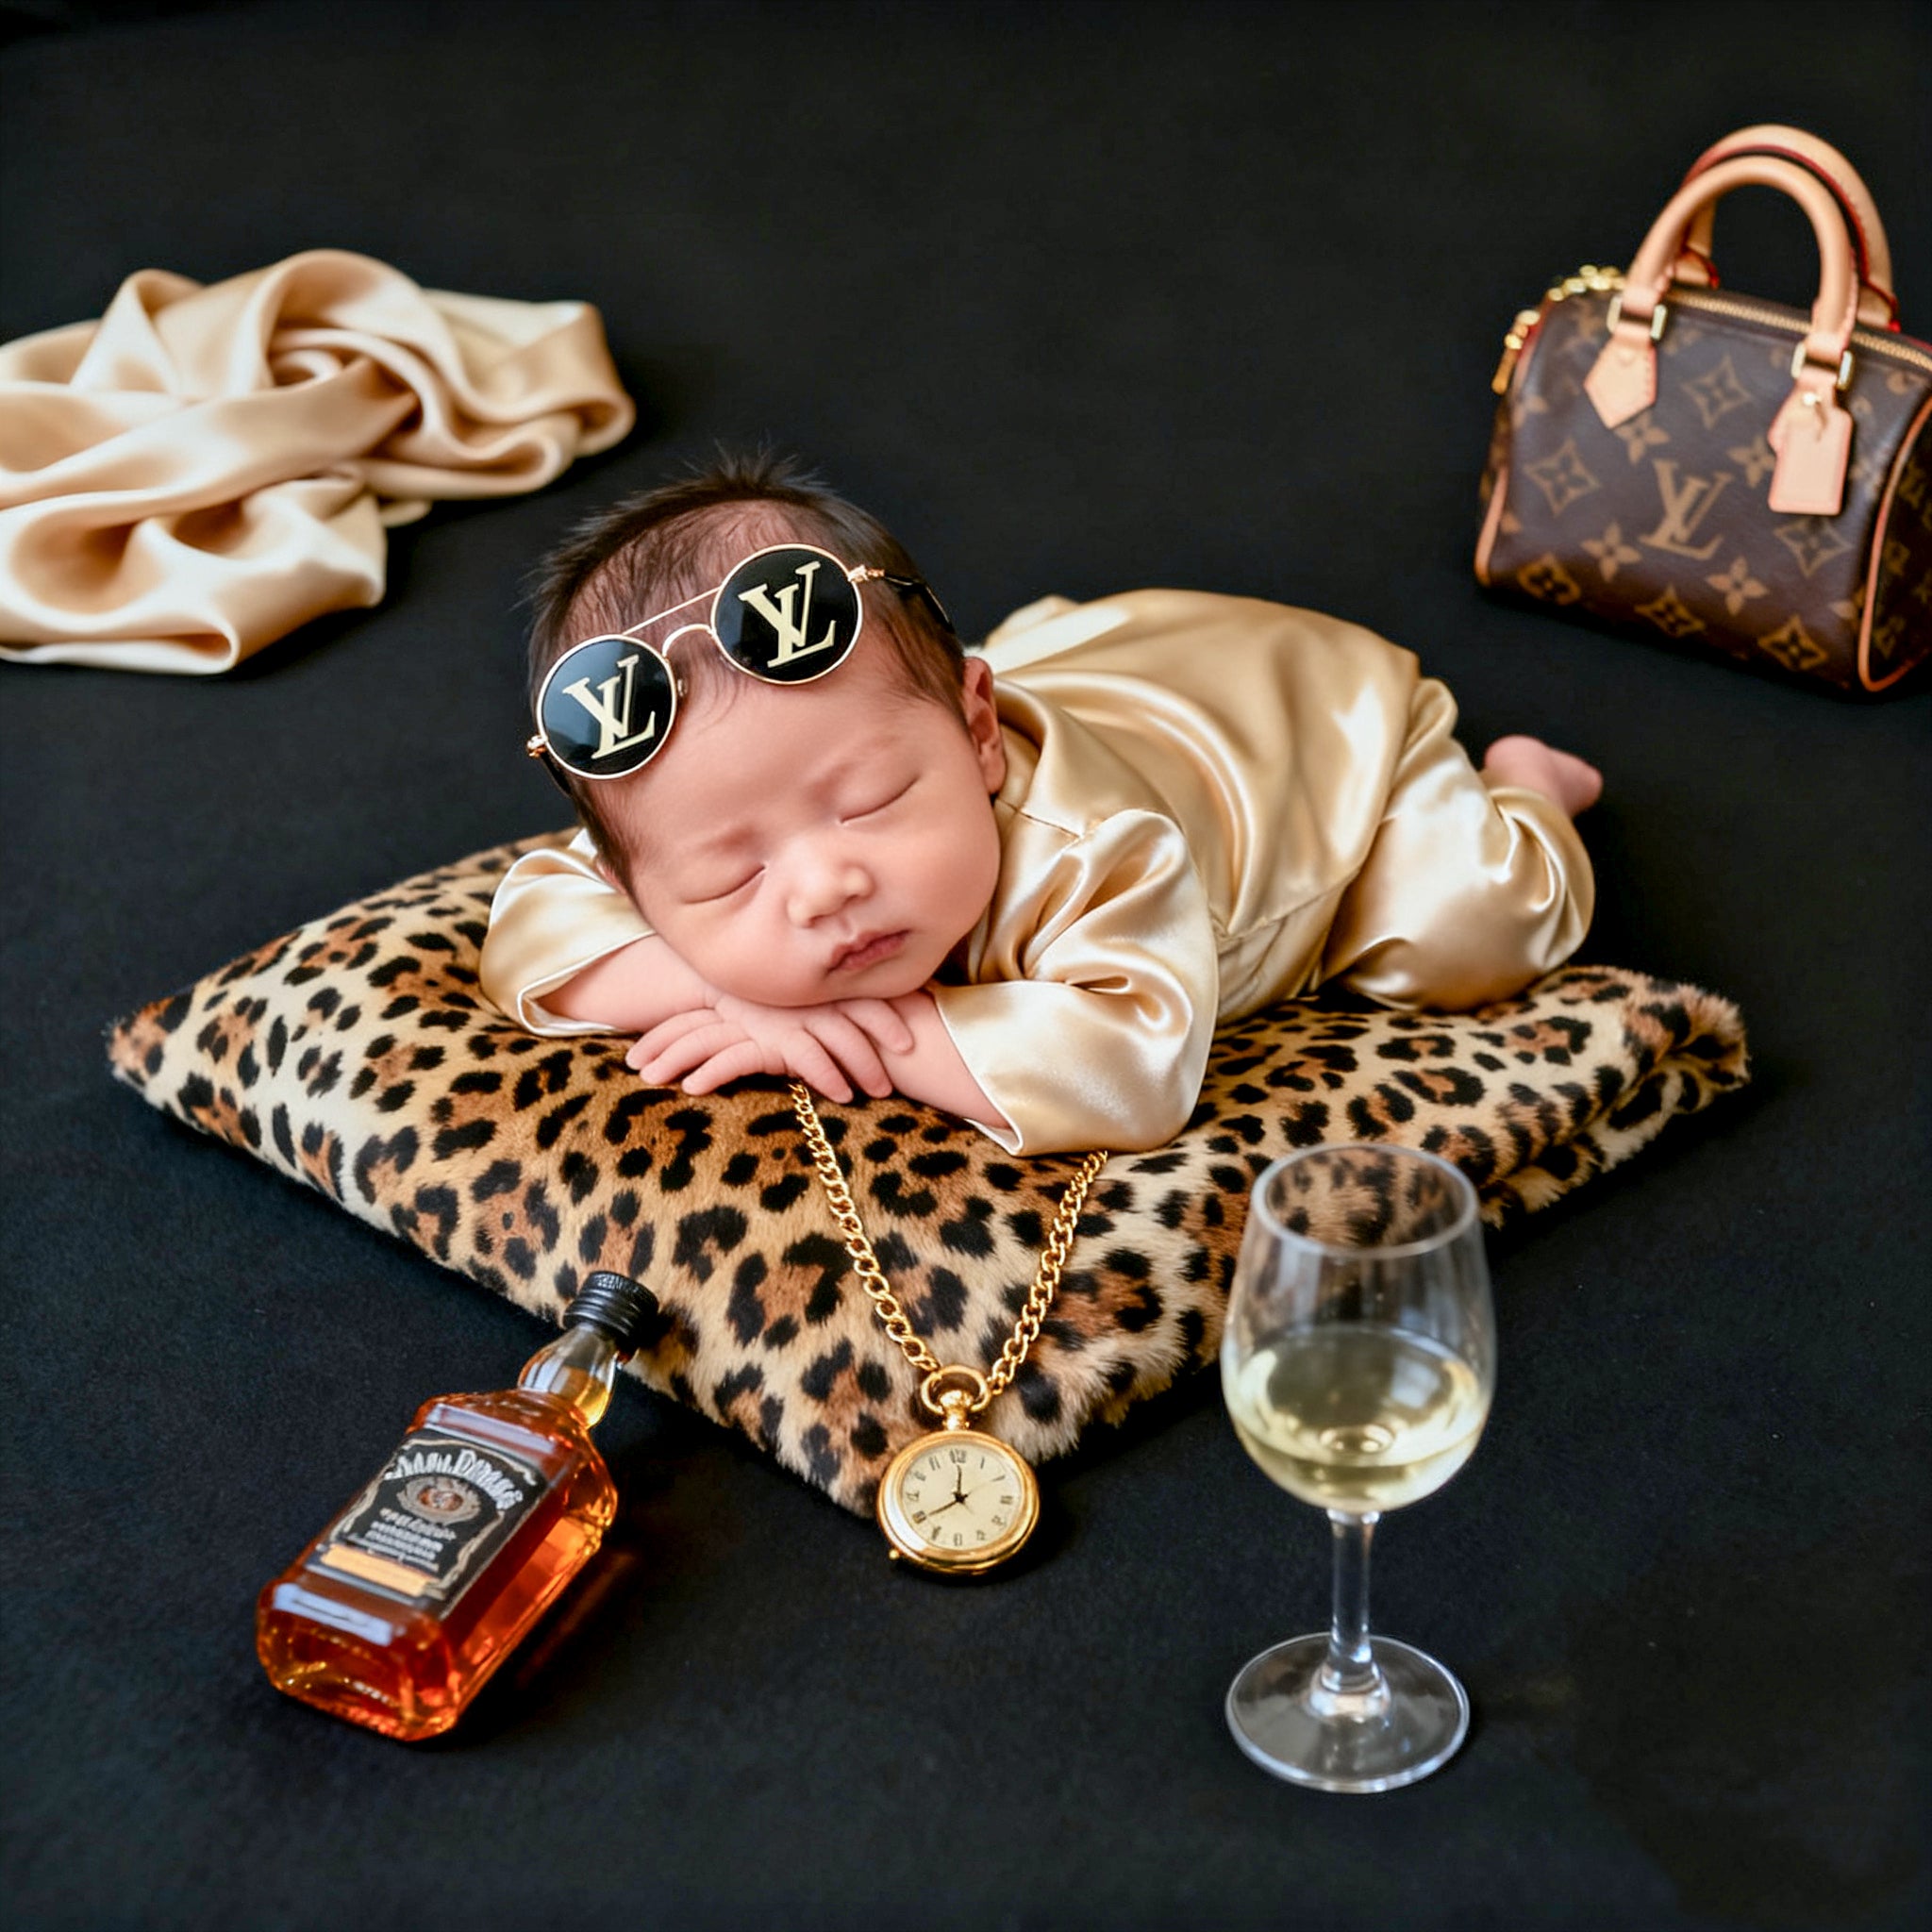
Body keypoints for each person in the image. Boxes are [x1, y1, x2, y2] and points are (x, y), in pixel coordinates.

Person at [480, 455, 1600, 1155]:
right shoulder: (688, 799)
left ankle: (1526, 785)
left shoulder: (1096, 846)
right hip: (1118, 670)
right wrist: (739, 997)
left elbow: (1130, 1069)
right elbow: (527, 922)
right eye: (732, 876)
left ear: (980, 731)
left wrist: (885, 1034)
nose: (823, 885)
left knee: (1469, 928)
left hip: (1318, 735)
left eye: (870, 801)